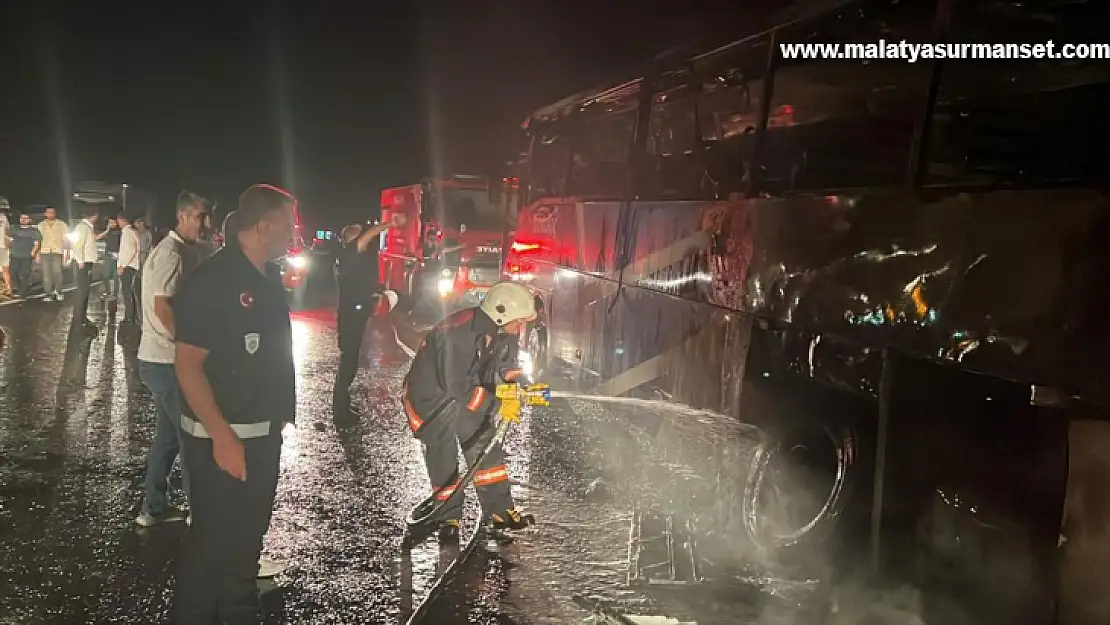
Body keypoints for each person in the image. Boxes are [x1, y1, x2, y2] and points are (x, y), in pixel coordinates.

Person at [172, 183, 297, 623]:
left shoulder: (266, 278)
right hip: (222, 442)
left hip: (260, 437)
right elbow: (188, 365)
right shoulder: (218, 280)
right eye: (288, 223)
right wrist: (224, 438)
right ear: (264, 225)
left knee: (243, 551)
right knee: (210, 557)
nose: (292, 232)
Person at [402, 281, 537, 539]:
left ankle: (500, 511)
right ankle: (447, 518)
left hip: (462, 395)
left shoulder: (503, 332)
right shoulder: (456, 333)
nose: (521, 327)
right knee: (444, 460)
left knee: (485, 447)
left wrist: (520, 384)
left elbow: (503, 366)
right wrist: (497, 402)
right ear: (501, 313)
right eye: (519, 321)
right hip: (431, 401)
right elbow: (457, 385)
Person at [135, 193, 209, 528]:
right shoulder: (171, 253)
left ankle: (152, 508)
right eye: (200, 216)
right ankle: (201, 516)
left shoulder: (183, 251)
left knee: (167, 438)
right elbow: (162, 306)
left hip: (161, 359)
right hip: (165, 361)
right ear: (183, 215)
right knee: (192, 437)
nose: (205, 224)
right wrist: (189, 347)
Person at [333, 215, 405, 418]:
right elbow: (368, 236)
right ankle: (340, 408)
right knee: (349, 361)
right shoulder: (350, 253)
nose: (366, 238)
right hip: (350, 315)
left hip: (353, 312)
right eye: (360, 235)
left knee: (351, 359)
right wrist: (391, 224)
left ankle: (342, 403)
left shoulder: (350, 257)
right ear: (352, 239)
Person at [71, 204, 100, 329]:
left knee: (85, 291)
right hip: (83, 263)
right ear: (94, 216)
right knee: (82, 291)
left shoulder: (87, 227)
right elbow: (77, 245)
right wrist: (80, 261)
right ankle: (79, 318)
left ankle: (82, 316)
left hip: (86, 262)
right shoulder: (82, 228)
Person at [37, 207, 69, 302]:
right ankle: (48, 294)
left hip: (57, 251)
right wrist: (37, 253)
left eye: (52, 212)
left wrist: (67, 251)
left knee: (58, 272)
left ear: (55, 214)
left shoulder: (61, 224)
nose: (50, 214)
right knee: (46, 275)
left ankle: (59, 291)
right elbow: (38, 240)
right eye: (48, 212)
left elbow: (66, 239)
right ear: (45, 214)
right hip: (44, 251)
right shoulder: (41, 225)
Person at [116, 214, 142, 324]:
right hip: (133, 265)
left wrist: (123, 265)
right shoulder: (133, 231)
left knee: (127, 292)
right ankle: (133, 316)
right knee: (130, 292)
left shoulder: (127, 232)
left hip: (128, 266)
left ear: (121, 220)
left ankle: (129, 317)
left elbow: (130, 250)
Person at [10, 213, 40, 298]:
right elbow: (9, 240)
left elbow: (37, 243)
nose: (23, 220)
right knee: (13, 274)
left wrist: (33, 253)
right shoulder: (15, 229)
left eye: (26, 218)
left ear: (29, 220)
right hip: (15, 255)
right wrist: (10, 249)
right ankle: (20, 289)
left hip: (26, 256)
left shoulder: (34, 231)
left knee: (24, 275)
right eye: (22, 218)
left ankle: (22, 293)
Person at [102, 216, 121, 300]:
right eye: (110, 223)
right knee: (105, 274)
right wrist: (107, 229)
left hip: (117, 256)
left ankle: (115, 293)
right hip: (108, 255)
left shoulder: (119, 232)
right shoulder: (107, 232)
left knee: (115, 275)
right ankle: (107, 291)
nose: (111, 224)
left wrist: (118, 253)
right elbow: (102, 238)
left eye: (113, 222)